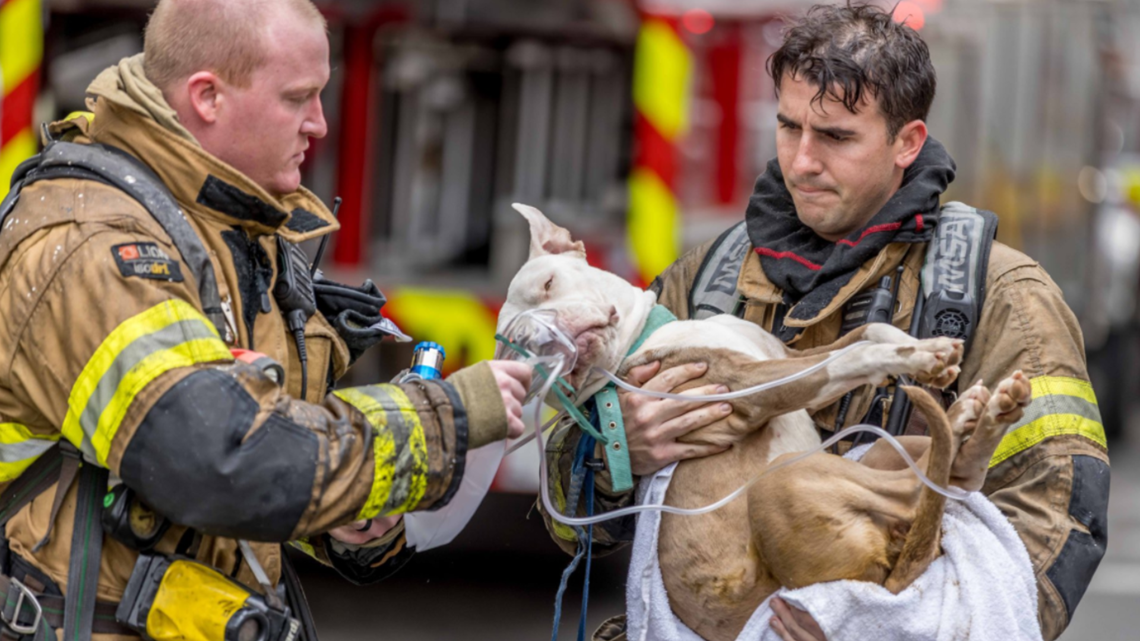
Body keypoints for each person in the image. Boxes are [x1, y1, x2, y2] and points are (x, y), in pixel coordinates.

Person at [541, 4, 1110, 641]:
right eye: (788, 128)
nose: (802, 160)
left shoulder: (999, 295)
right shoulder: (705, 283)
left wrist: (884, 627)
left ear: (907, 142)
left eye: (835, 137)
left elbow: (1055, 521)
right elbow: (569, 516)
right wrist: (618, 448)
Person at [0, 0, 532, 638]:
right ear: (208, 97)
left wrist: (341, 520)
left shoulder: (226, 227)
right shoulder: (95, 247)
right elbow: (223, 461)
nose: (321, 125)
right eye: (298, 98)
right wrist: (446, 416)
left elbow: (256, 465)